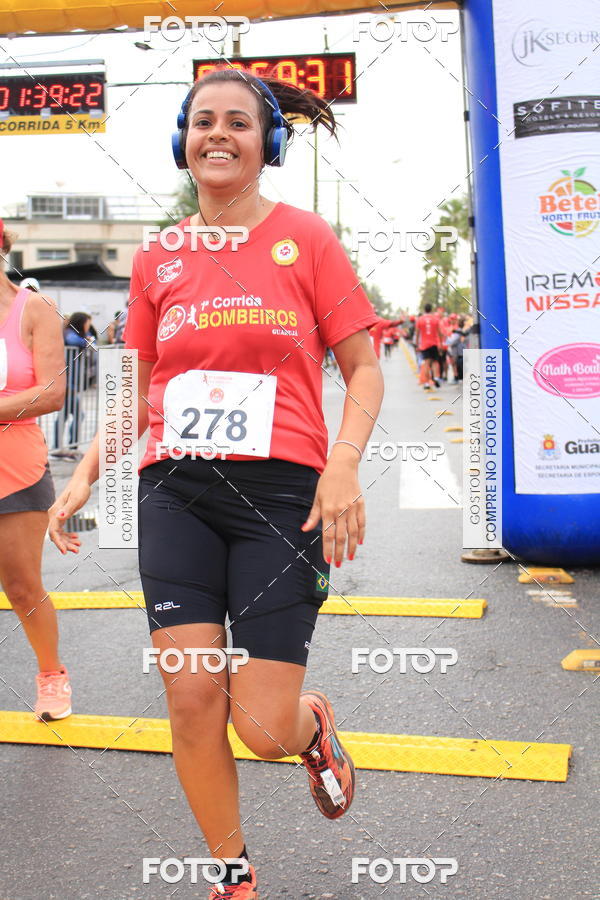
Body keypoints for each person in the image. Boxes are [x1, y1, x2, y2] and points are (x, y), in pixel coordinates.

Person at [48, 69, 384, 898]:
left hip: (282, 494)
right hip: (176, 493)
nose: (218, 135)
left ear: (265, 144)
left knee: (262, 725)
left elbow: (365, 366)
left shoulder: (305, 239)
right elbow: (135, 382)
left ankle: (312, 731)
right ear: (182, 142)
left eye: (237, 122)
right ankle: (233, 875)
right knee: (193, 695)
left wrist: (342, 462)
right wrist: (85, 476)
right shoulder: (159, 256)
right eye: (203, 122)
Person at [0, 217, 73, 720]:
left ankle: (52, 676)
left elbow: (53, 391)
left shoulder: (35, 308)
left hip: (14, 468)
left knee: (22, 585)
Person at [53, 311, 95, 453]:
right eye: (87, 323)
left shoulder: (70, 333)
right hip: (67, 382)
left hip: (70, 382)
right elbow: (73, 341)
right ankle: (69, 447)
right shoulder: (69, 333)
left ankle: (62, 447)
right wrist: (87, 341)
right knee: (77, 415)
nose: (88, 327)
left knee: (64, 415)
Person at [415, 302, 444, 389]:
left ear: (424, 309)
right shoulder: (435, 319)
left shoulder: (420, 319)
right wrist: (441, 344)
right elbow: (439, 333)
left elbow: (417, 333)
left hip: (424, 344)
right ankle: (436, 378)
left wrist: (417, 345)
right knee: (435, 362)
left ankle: (427, 383)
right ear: (431, 309)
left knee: (426, 363)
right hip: (434, 343)